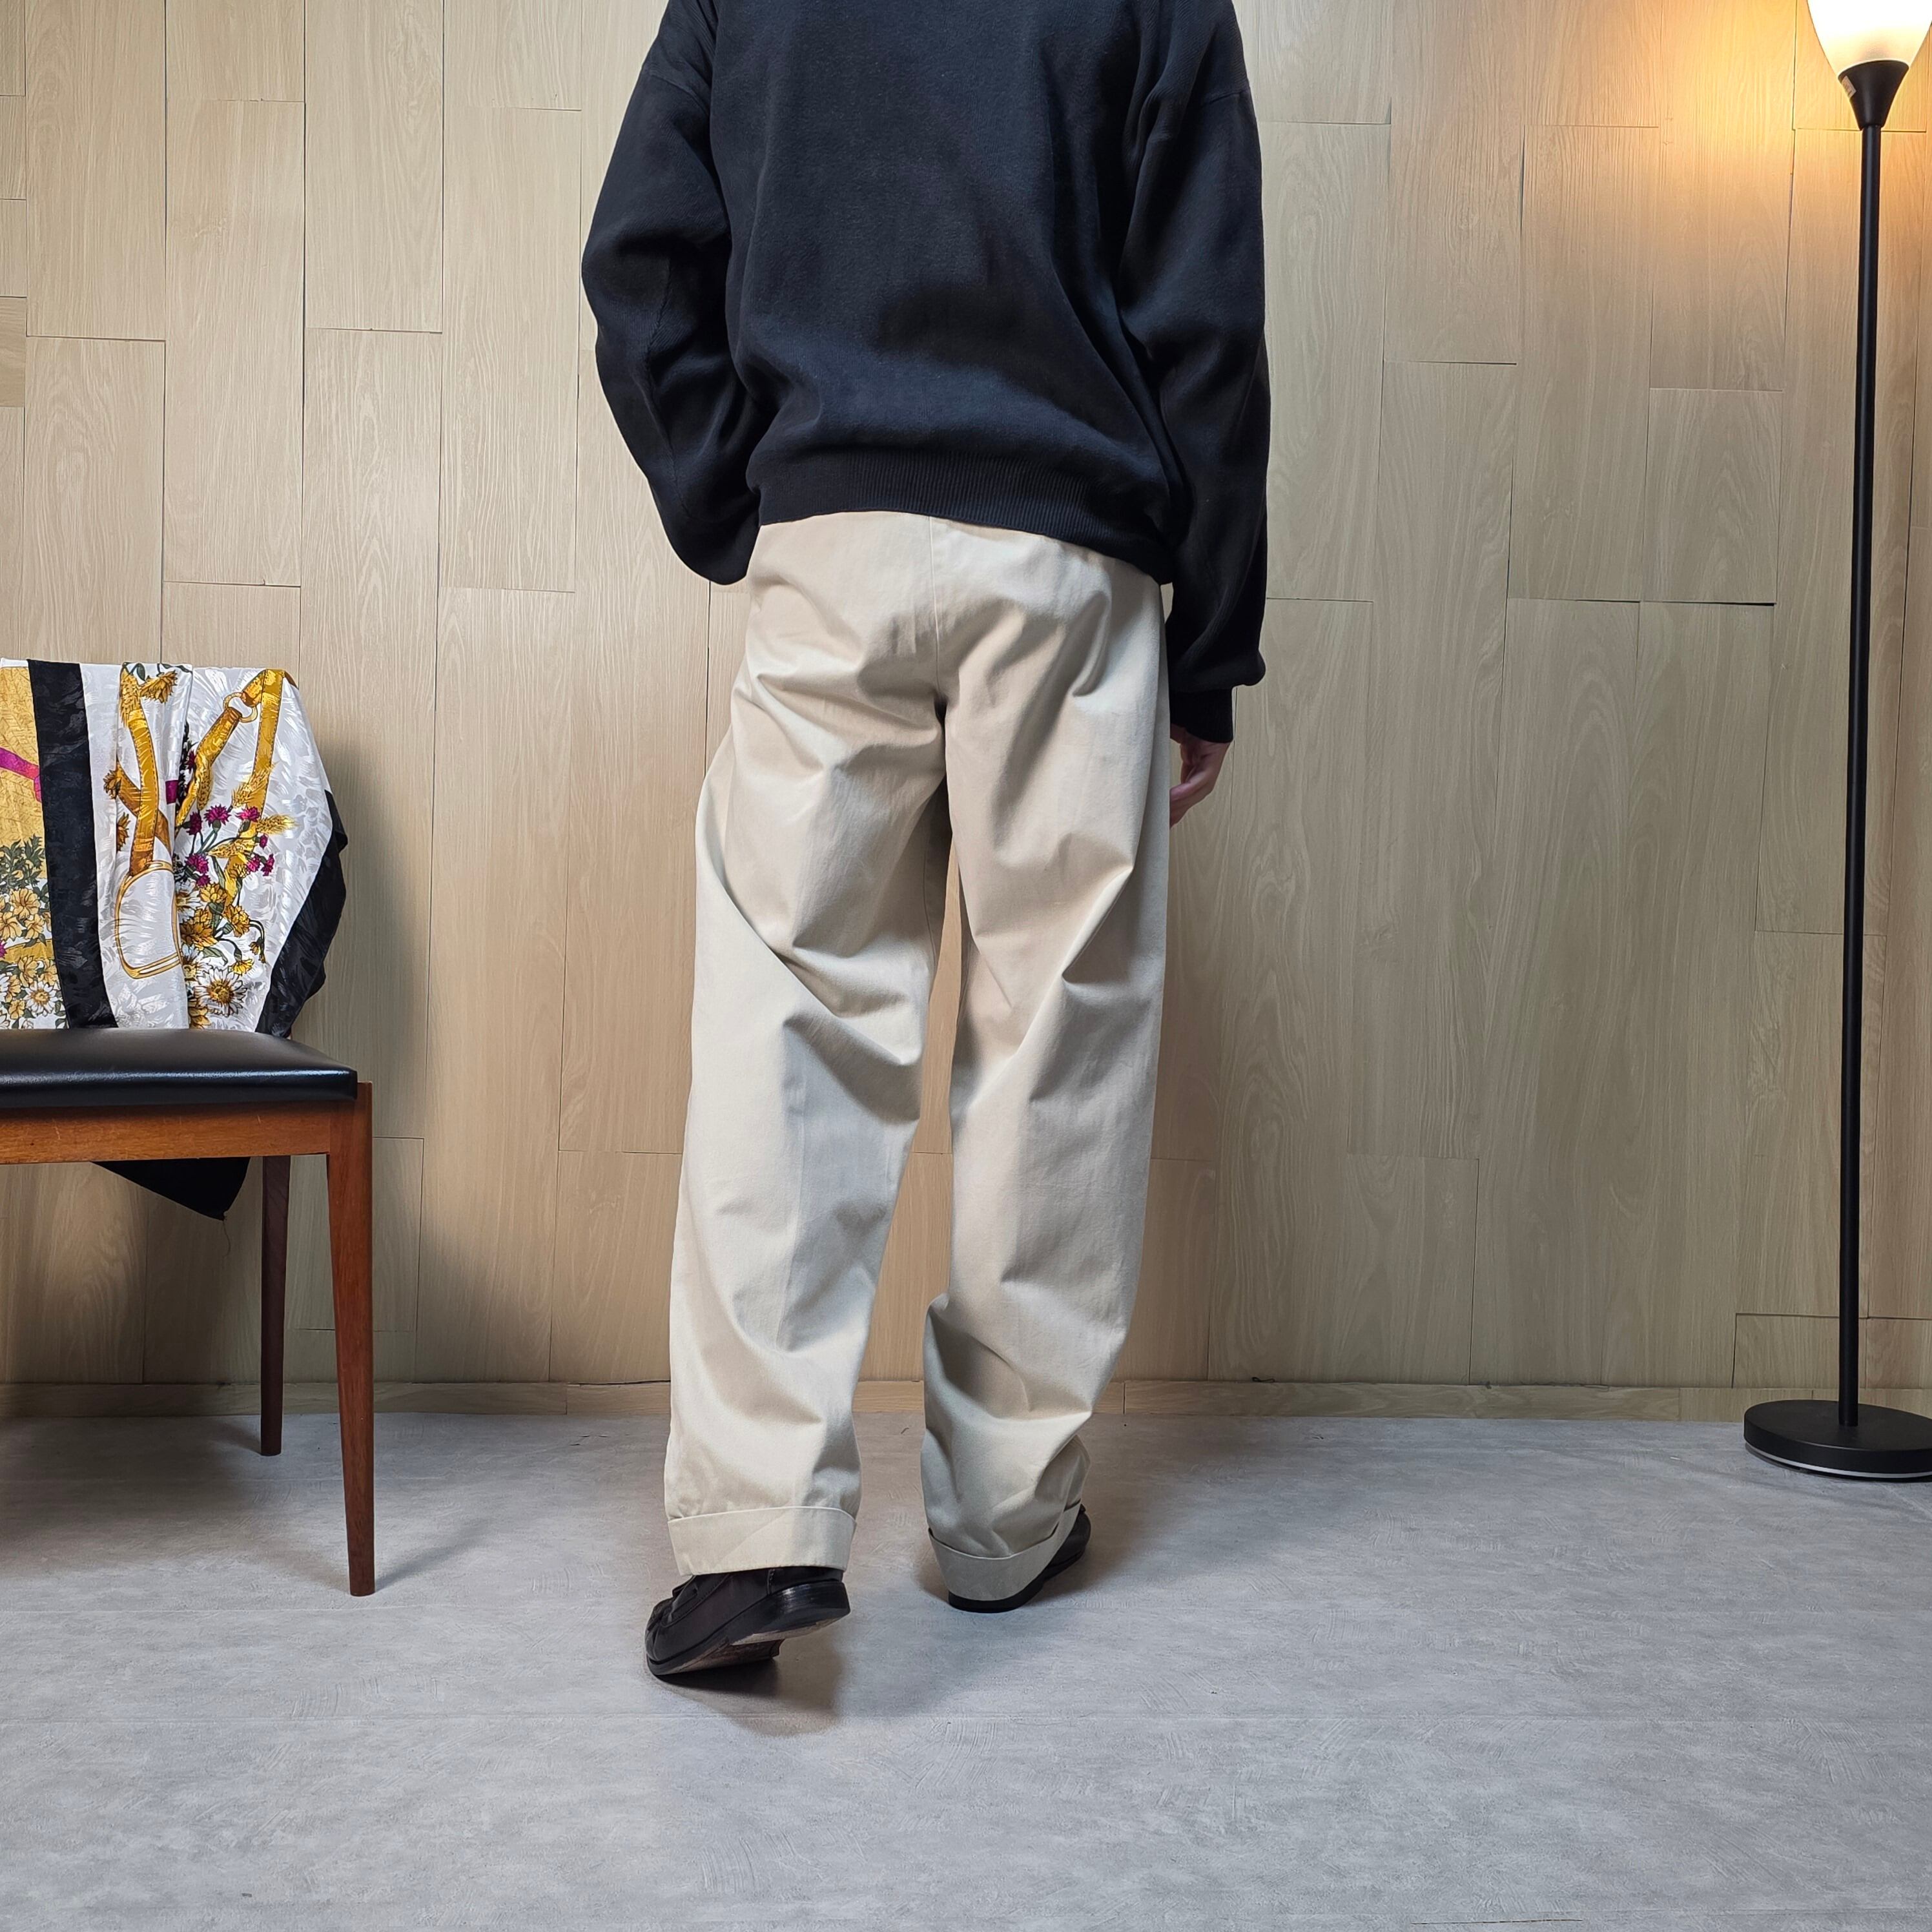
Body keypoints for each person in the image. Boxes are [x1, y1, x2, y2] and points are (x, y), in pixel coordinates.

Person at [582, 0, 1268, 1680]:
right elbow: (1205, 323)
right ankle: (1006, 1521)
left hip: (837, 532)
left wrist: (744, 500)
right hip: (1072, 560)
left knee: (788, 1019)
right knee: (1057, 1042)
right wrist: (1206, 648)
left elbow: (642, 255)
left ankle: (753, 1534)